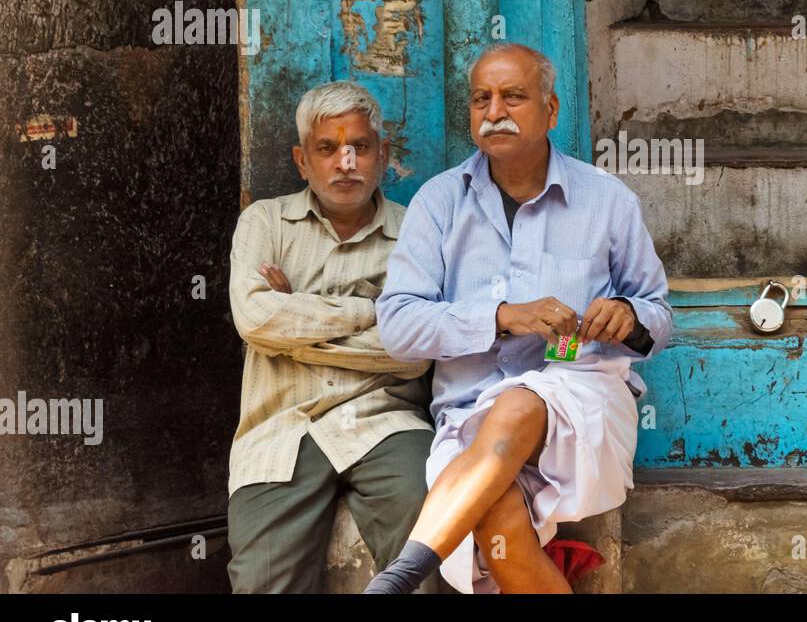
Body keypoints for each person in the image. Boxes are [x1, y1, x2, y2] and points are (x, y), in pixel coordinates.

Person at [366, 43, 671, 593]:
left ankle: (399, 577)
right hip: (467, 418)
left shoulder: (606, 200)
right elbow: (398, 327)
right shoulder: (438, 204)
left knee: (520, 401)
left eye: (514, 96)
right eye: (481, 98)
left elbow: (658, 313)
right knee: (494, 516)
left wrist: (627, 316)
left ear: (552, 110)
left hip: (583, 405)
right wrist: (502, 317)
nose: (494, 110)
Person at [226, 82, 435, 592]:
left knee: (428, 552)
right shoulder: (265, 222)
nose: (346, 162)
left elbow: (413, 354)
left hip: (386, 423)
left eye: (360, 147)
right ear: (302, 161)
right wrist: (371, 311)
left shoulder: (417, 234)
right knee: (261, 581)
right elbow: (255, 319)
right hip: (280, 430)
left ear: (382, 155)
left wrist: (294, 319)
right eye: (327, 148)